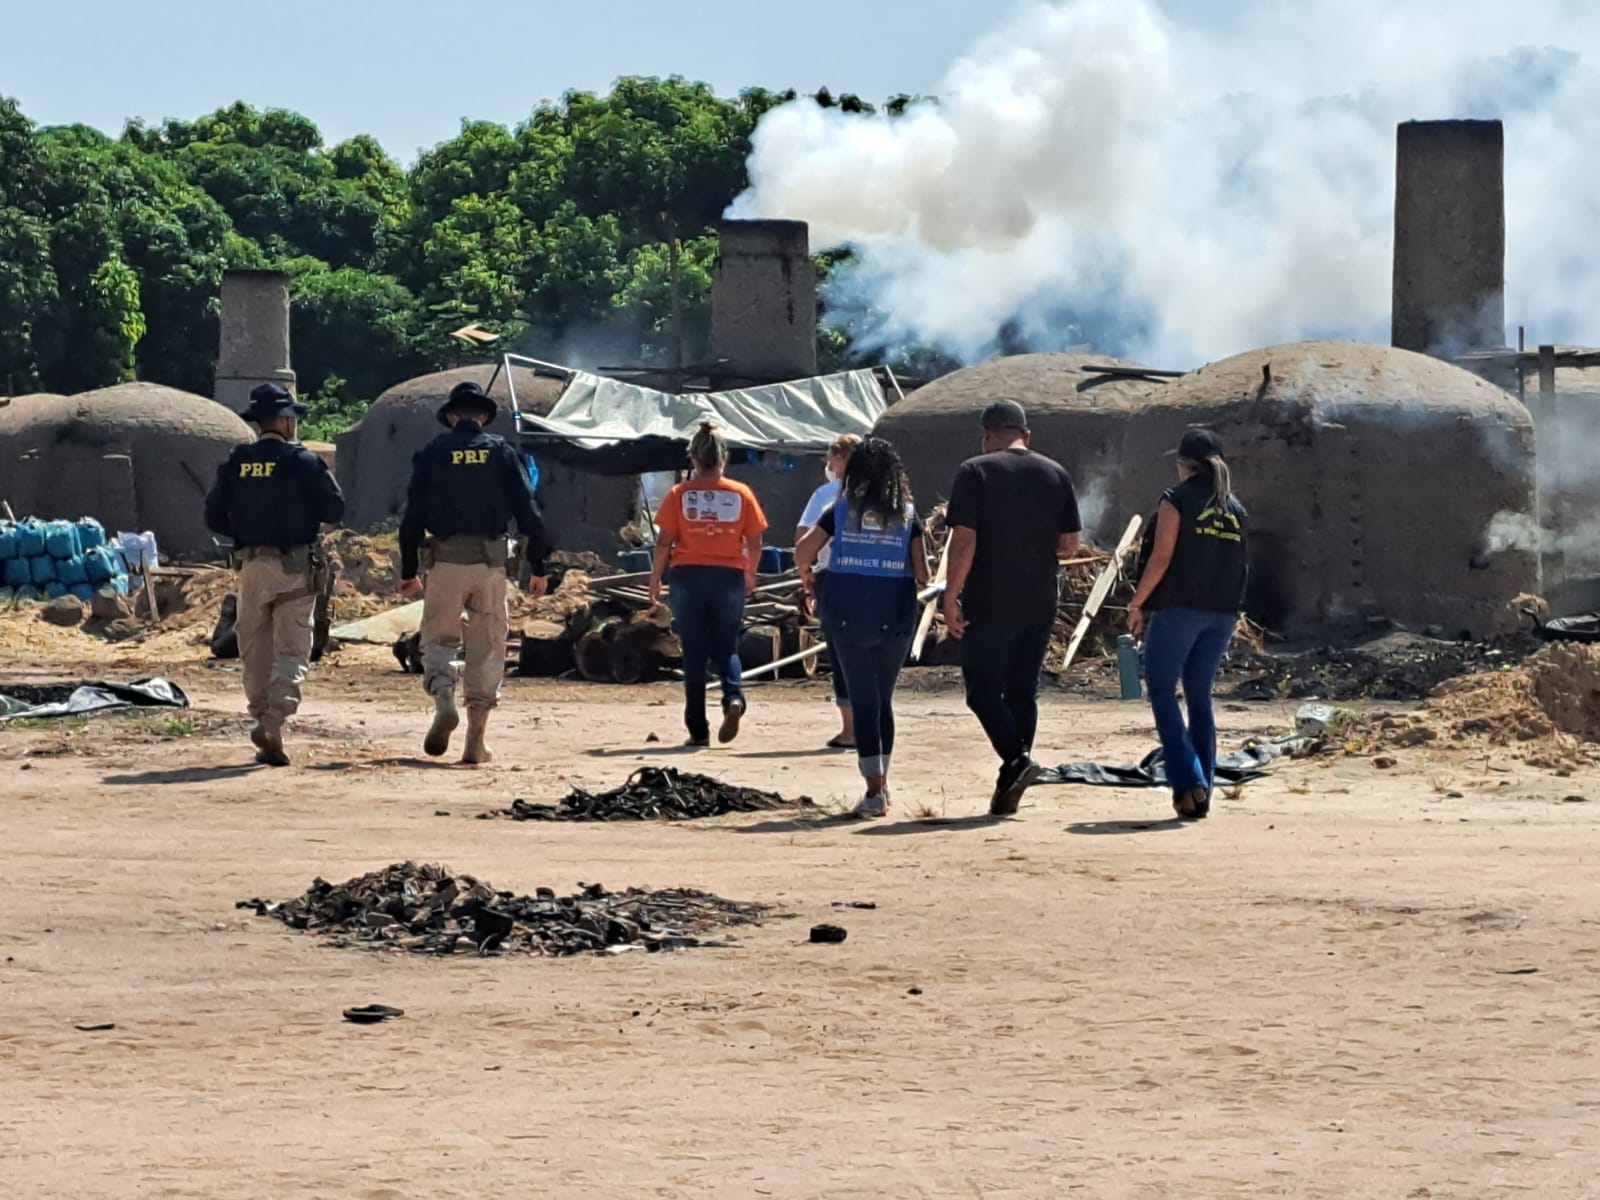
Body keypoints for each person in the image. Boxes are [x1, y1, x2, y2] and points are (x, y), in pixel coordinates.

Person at [397, 380, 550, 764]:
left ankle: (444, 698)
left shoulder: (432, 453)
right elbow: (529, 512)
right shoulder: (500, 452)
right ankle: (474, 742)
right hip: (490, 565)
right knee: (487, 646)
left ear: (451, 416)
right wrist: (540, 565)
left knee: (438, 638)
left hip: (445, 562)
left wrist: (408, 570)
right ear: (482, 415)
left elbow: (412, 516)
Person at [942, 399, 1081, 816]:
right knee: (1022, 689)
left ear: (987, 433)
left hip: (991, 596)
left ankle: (1017, 760)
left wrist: (951, 595)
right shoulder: (1056, 473)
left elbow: (964, 541)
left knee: (982, 690)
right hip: (1040, 597)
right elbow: (1069, 544)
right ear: (1027, 434)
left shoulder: (975, 471)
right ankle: (1013, 777)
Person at [204, 383, 346, 767]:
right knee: (292, 647)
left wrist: (248, 533)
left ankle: (262, 717)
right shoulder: (302, 461)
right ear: (284, 421)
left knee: (254, 649)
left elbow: (213, 516)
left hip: (251, 566)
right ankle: (274, 718)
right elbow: (335, 509)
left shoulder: (237, 461)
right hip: (295, 568)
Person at [796, 437, 930, 818]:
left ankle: (875, 790)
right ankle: (880, 783)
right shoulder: (907, 515)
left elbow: (802, 553)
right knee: (881, 700)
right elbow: (923, 573)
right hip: (895, 615)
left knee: (863, 699)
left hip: (847, 613)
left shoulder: (839, 510)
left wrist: (810, 576)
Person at [1126, 427, 1248, 821]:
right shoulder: (1236, 509)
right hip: (1223, 614)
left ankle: (1187, 778)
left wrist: (1137, 602)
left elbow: (1161, 558)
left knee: (1161, 689)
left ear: (1184, 466)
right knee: (1199, 695)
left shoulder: (1175, 500)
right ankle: (1203, 792)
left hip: (1179, 610)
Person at [648, 423, 767, 747]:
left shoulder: (679, 495)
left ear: (693, 459)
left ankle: (698, 730)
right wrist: (750, 573)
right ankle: (733, 698)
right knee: (727, 646)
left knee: (694, 653)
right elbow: (754, 541)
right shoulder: (741, 494)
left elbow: (663, 543)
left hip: (687, 577)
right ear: (723, 458)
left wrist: (655, 579)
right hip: (728, 577)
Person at [796, 433, 862, 749]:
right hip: (879, 582)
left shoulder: (827, 497)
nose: (829, 464)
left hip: (834, 580)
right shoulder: (888, 497)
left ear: (839, 459)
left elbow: (802, 539)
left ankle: (851, 729)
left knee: (841, 654)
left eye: (831, 457)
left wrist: (806, 573)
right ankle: (872, 725)